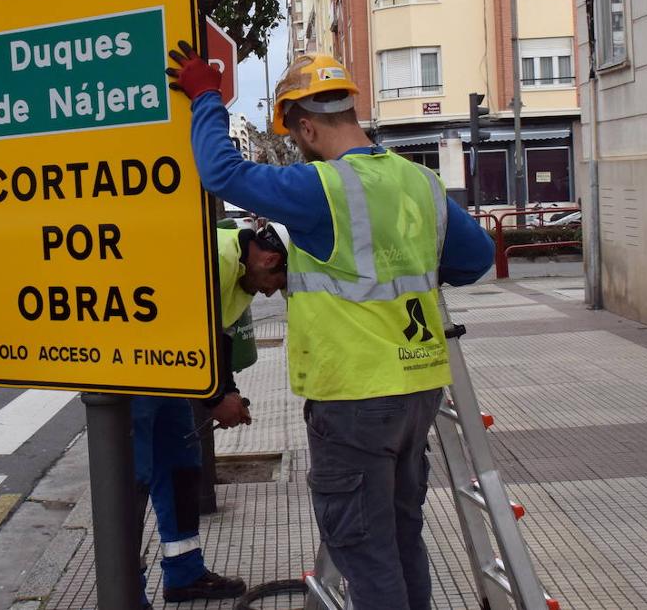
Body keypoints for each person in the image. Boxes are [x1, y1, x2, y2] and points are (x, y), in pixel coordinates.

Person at [166, 44, 495, 610]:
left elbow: (222, 172)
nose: (298, 147)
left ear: (308, 128)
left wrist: (204, 98)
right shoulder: (421, 184)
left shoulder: (322, 187)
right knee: (400, 536)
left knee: (365, 552)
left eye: (296, 137)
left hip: (355, 397)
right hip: (419, 389)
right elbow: (476, 258)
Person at [132, 223, 287, 607]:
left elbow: (219, 337)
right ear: (268, 259)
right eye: (276, 282)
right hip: (133, 370)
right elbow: (185, 325)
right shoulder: (215, 257)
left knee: (181, 467)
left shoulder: (242, 275)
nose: (271, 291)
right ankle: (125, 590)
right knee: (131, 481)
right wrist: (216, 396)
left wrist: (227, 391)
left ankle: (184, 573)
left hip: (167, 374)